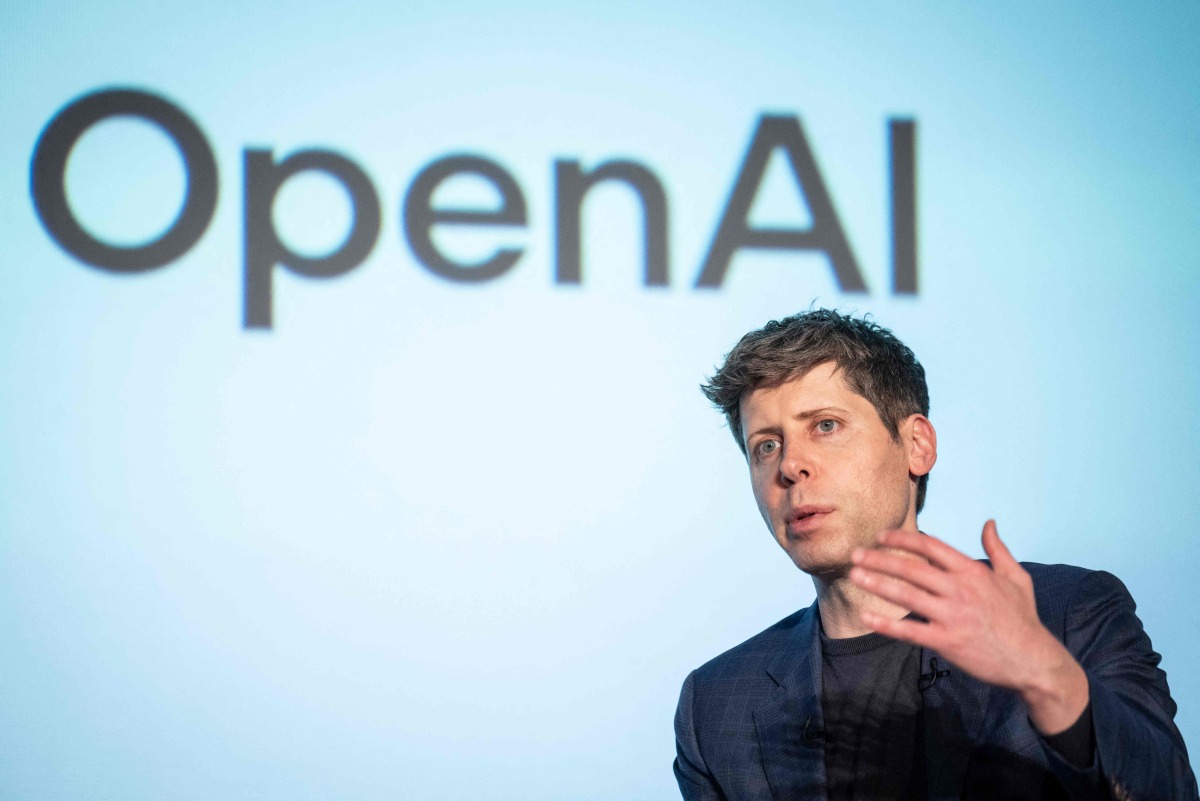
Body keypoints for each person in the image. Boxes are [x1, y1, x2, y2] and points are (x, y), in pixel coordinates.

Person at [673, 309, 1195, 801]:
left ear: (916, 444)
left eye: (825, 426)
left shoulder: (1067, 612)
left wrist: (1046, 676)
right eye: (766, 444)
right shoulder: (717, 705)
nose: (790, 466)